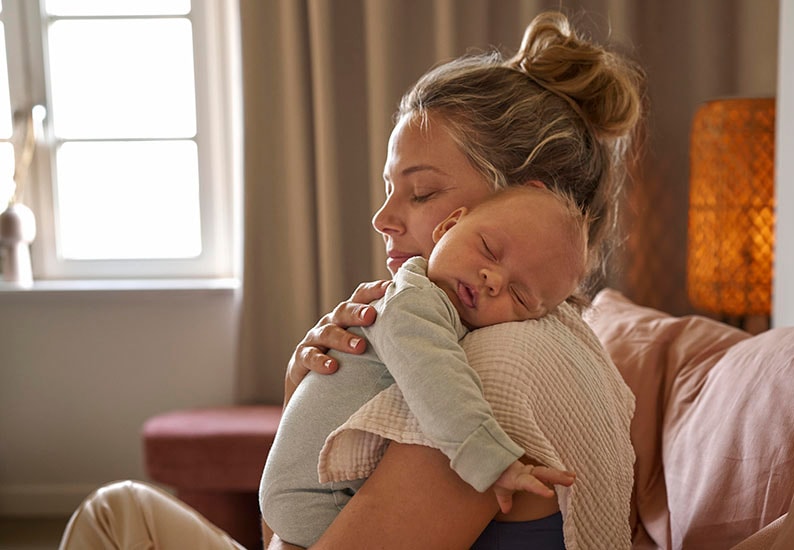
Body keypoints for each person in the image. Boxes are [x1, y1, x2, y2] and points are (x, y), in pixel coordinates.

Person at [59, 10, 645, 550]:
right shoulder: (528, 336)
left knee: (116, 523)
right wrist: (305, 399)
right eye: (390, 189)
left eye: (421, 192)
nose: (383, 219)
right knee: (120, 509)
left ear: (525, 198)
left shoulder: (487, 375)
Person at [260, 185, 586, 548]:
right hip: (316, 497)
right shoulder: (413, 300)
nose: (493, 280)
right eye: (489, 249)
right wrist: (493, 462)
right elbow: (437, 381)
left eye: (519, 295)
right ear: (448, 227)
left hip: (301, 497)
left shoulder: (488, 343)